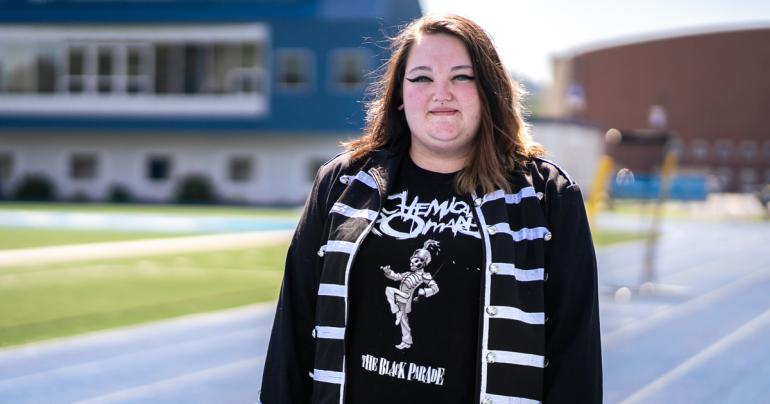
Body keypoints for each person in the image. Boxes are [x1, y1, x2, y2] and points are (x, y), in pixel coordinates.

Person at [259, 14, 602, 404]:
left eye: (462, 77)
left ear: (489, 91)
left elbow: (575, 359)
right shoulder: (344, 183)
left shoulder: (546, 198)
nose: (442, 93)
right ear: (400, 96)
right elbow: (294, 330)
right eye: (422, 78)